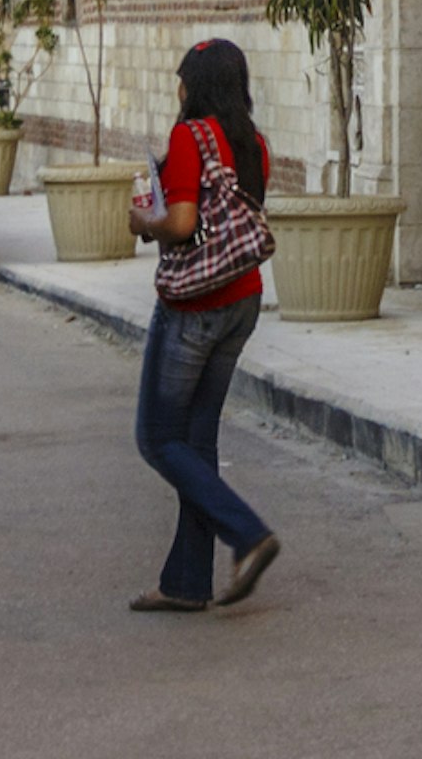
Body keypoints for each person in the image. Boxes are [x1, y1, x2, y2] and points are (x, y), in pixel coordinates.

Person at [124, 38, 282, 615]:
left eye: (181, 79)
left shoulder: (189, 137)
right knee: (197, 442)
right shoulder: (253, 144)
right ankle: (187, 582)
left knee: (158, 439)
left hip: (194, 307)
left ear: (194, 86)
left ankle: (248, 533)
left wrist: (146, 220)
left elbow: (185, 222)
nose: (177, 89)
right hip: (242, 301)